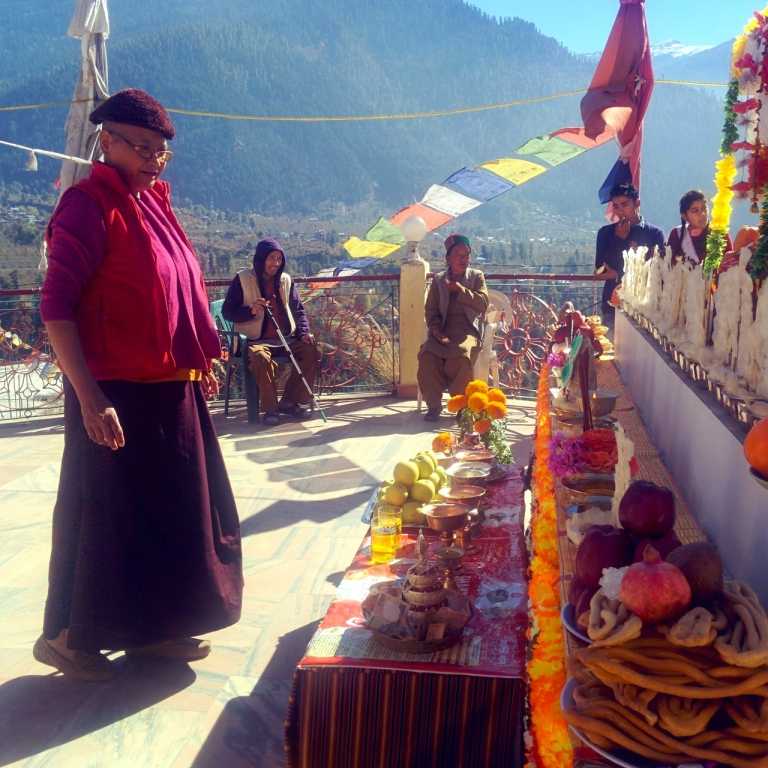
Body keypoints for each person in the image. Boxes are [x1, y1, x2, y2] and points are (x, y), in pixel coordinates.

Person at [36, 89, 243, 681]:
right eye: (142, 147)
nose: (154, 159)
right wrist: (89, 396)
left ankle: (154, 630)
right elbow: (57, 309)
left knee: (172, 513)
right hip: (114, 393)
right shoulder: (87, 205)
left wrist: (198, 351)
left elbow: (176, 289)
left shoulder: (155, 203)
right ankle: (69, 638)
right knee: (106, 517)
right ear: (108, 142)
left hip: (168, 388)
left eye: (161, 151)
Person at [222, 239, 317, 426]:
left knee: (310, 350)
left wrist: (304, 332)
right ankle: (270, 409)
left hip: (285, 339)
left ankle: (290, 402)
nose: (275, 263)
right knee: (260, 358)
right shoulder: (243, 279)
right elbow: (228, 312)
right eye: (271, 258)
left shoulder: (285, 281)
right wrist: (250, 311)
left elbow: (298, 310)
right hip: (255, 341)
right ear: (260, 259)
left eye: (279, 259)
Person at [417, 234, 489, 421]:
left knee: (461, 357)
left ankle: (461, 407)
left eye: (466, 255)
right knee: (427, 355)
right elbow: (431, 309)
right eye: (459, 255)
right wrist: (435, 329)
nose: (463, 259)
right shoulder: (439, 280)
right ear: (448, 258)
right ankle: (433, 405)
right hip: (443, 331)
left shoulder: (476, 277)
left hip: (466, 331)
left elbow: (483, 303)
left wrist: (461, 290)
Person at [594, 182, 665, 319]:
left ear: (637, 203)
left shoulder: (654, 234)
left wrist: (615, 272)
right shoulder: (605, 233)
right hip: (612, 305)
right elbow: (599, 271)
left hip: (646, 307)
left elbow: (659, 271)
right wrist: (619, 240)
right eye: (616, 206)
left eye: (625, 204)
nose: (620, 210)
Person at [667, 189, 733, 264]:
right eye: (695, 210)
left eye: (704, 208)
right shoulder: (676, 234)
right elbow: (669, 266)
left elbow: (730, 267)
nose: (702, 214)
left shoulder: (720, 234)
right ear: (684, 216)